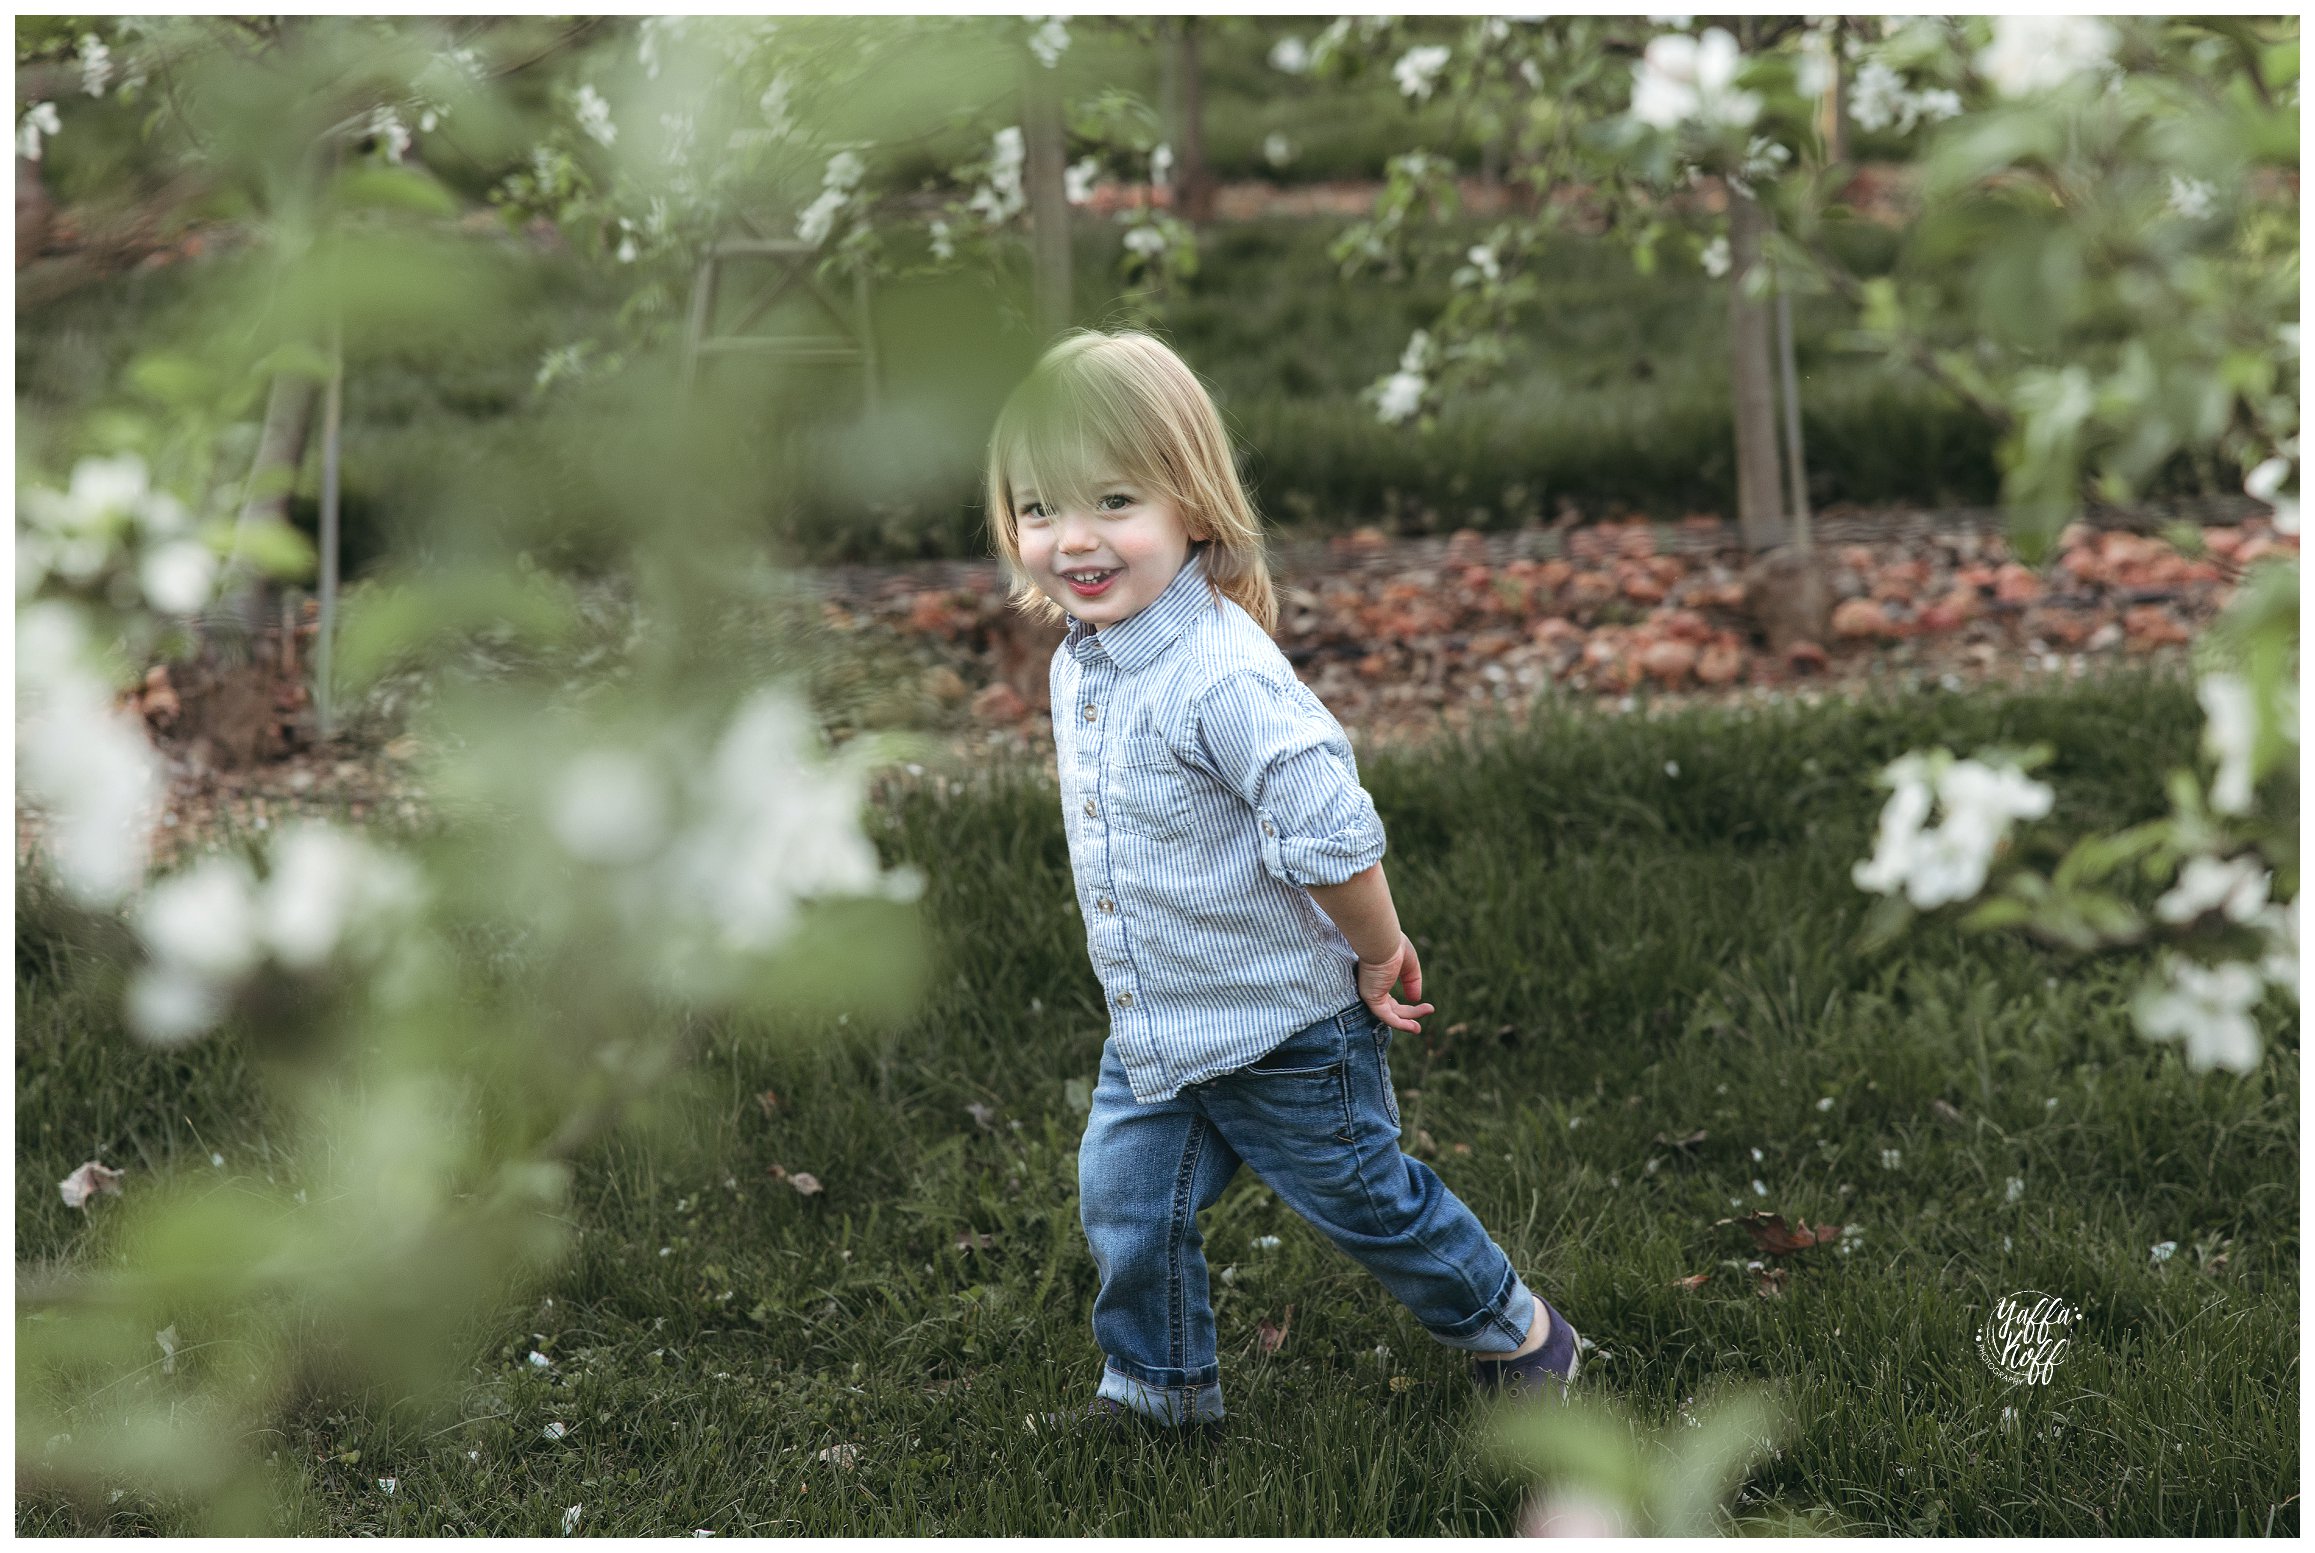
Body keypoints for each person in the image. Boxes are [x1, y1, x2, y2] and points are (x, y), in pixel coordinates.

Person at [985, 329, 1581, 1436]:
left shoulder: (1220, 673)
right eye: (1036, 508)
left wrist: (1375, 948)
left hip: (1283, 1027)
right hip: (1159, 1022)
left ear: (1193, 505)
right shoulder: (1084, 656)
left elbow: (1327, 827)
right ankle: (1159, 1391)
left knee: (1367, 1203)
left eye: (1113, 500)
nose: (1072, 538)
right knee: (1126, 1204)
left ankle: (1519, 1331)